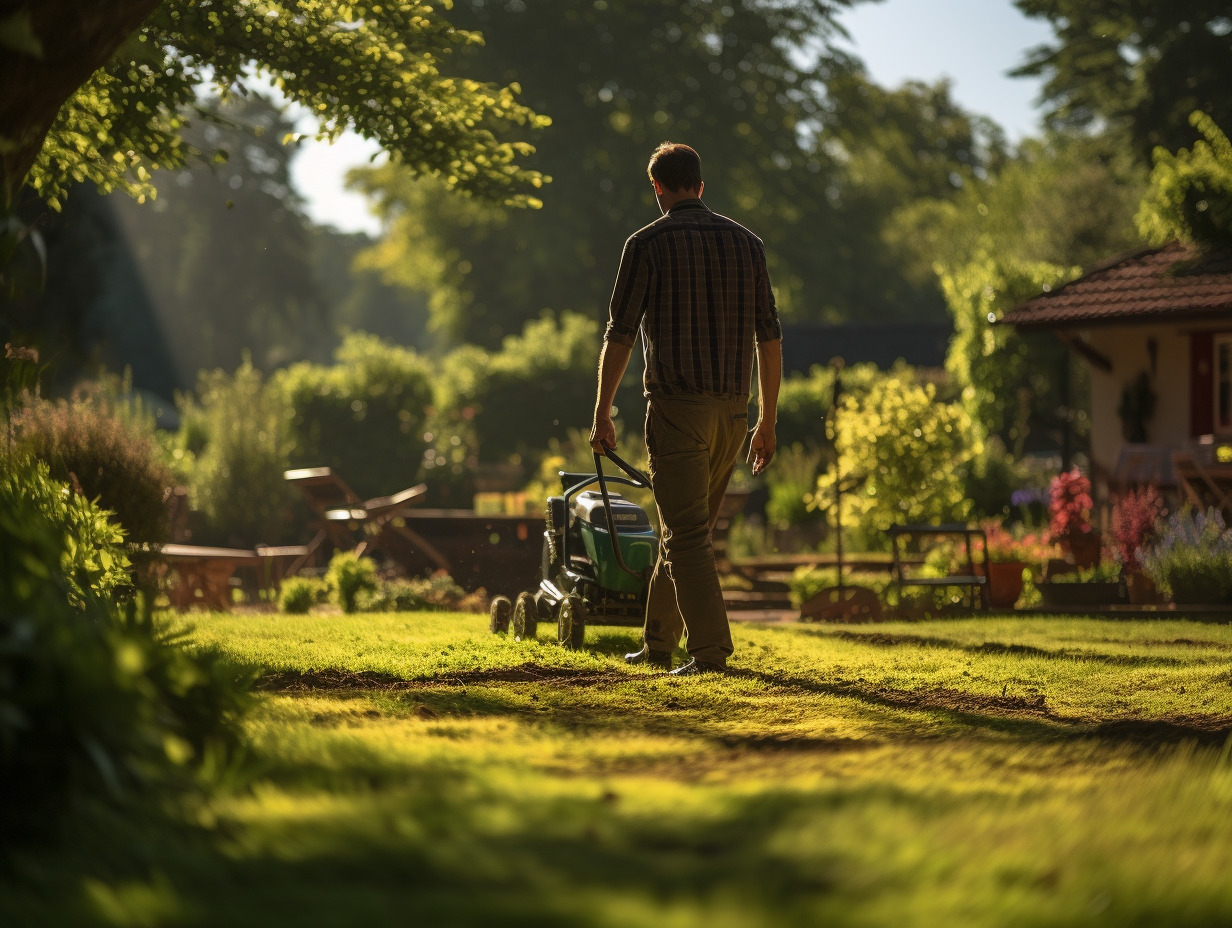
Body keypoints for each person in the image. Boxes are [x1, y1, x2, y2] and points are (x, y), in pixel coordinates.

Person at [589, 141, 782, 676]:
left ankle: (710, 654)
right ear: (700, 184)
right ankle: (656, 643)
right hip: (734, 413)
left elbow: (620, 333)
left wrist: (603, 410)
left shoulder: (645, 244)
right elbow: (769, 338)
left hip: (677, 410)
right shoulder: (749, 244)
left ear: (657, 187)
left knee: (688, 536)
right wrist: (766, 419)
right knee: (686, 529)